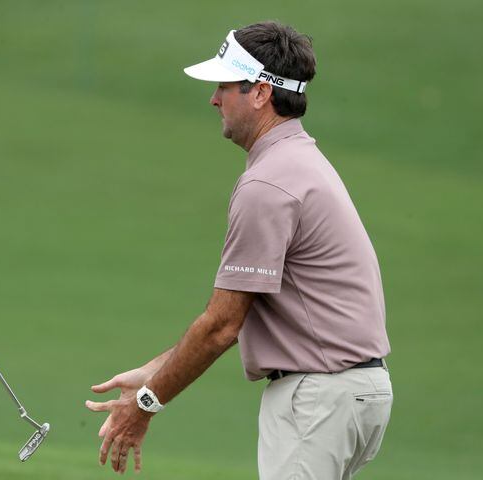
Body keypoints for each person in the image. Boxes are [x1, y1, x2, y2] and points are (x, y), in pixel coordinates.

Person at [85, 21, 393, 479]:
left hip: (317, 398)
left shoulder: (267, 184)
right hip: (354, 390)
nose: (214, 99)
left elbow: (221, 326)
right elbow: (237, 315)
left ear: (261, 92)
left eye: (224, 86)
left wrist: (146, 403)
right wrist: (155, 369)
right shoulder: (300, 160)